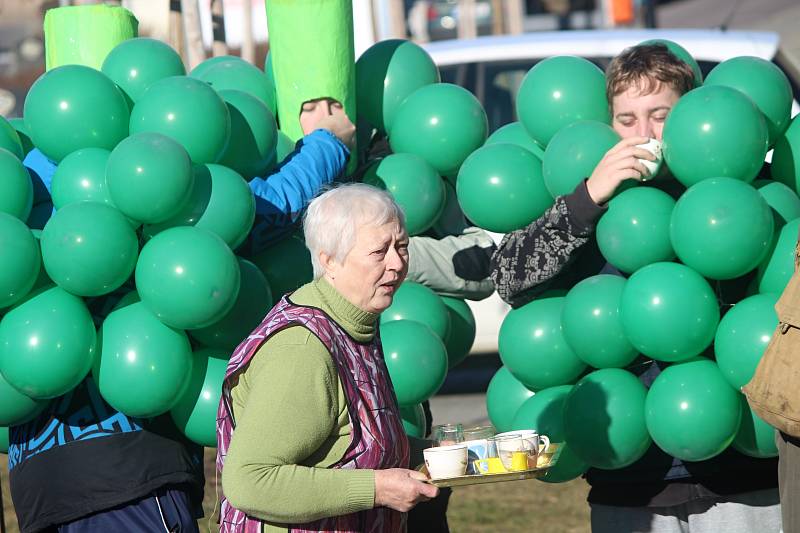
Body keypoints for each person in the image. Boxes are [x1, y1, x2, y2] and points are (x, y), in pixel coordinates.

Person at [9, 99, 358, 533]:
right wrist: (329, 142)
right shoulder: (157, 210)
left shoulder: (28, 208)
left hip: (39, 484)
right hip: (130, 476)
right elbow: (264, 212)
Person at [490, 43, 782, 532]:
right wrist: (587, 198)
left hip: (743, 472)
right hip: (631, 481)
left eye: (660, 114)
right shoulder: (589, 203)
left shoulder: (745, 190)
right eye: (626, 120)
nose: (643, 133)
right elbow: (509, 277)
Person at [217, 183, 439, 532]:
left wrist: (444, 454)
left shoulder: (354, 321)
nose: (397, 263)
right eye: (380, 251)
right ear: (329, 260)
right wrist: (377, 489)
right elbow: (249, 480)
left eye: (402, 246)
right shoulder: (302, 349)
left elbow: (352, 443)